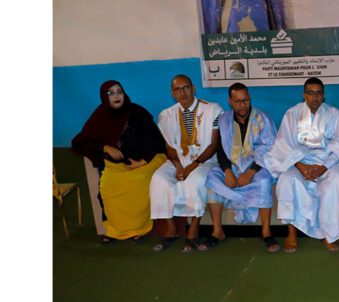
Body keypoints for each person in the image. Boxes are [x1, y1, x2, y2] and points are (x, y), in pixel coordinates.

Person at [265, 77, 339, 253]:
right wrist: (300, 166)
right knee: (287, 179)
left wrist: (323, 167)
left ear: (324, 95)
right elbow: (283, 144)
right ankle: (292, 233)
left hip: (327, 163)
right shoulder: (292, 114)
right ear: (304, 95)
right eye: (311, 93)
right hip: (299, 162)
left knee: (338, 179)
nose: (315, 97)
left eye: (318, 93)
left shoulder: (334, 114)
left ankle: (329, 234)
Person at [72, 80, 167, 243]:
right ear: (105, 97)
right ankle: (115, 230)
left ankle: (138, 229)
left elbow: (157, 142)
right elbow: (78, 142)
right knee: (107, 187)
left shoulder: (137, 112)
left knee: (139, 181)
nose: (116, 96)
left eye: (119, 92)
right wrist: (105, 147)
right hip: (116, 165)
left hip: (147, 161)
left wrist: (142, 162)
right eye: (111, 93)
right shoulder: (100, 115)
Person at [149, 75, 223, 253]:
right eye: (177, 89)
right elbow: (169, 147)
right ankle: (171, 229)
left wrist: (191, 166)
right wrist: (178, 166)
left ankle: (193, 230)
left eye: (186, 88)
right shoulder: (166, 115)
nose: (182, 93)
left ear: (193, 88)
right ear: (172, 93)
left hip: (204, 161)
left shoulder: (213, 109)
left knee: (193, 182)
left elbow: (214, 145)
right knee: (158, 180)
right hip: (178, 161)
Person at [205, 82, 280, 252]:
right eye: (238, 101)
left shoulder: (262, 119)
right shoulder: (223, 120)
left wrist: (251, 172)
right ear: (230, 101)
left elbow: (270, 149)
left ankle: (266, 232)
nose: (243, 105)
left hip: (257, 166)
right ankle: (217, 231)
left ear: (250, 98)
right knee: (212, 178)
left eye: (245, 100)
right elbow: (220, 149)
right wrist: (227, 171)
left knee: (264, 182)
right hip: (231, 166)